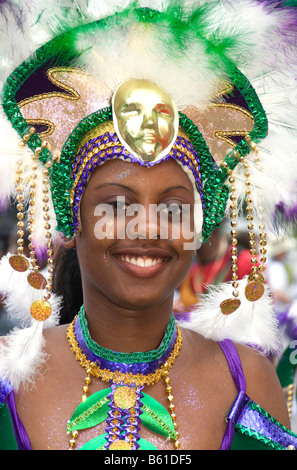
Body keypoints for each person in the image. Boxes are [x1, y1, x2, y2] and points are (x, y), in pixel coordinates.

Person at [0, 1, 297, 451]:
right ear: (72, 219)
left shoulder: (250, 383)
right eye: (117, 204)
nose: (149, 227)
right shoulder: (7, 377)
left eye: (174, 207)